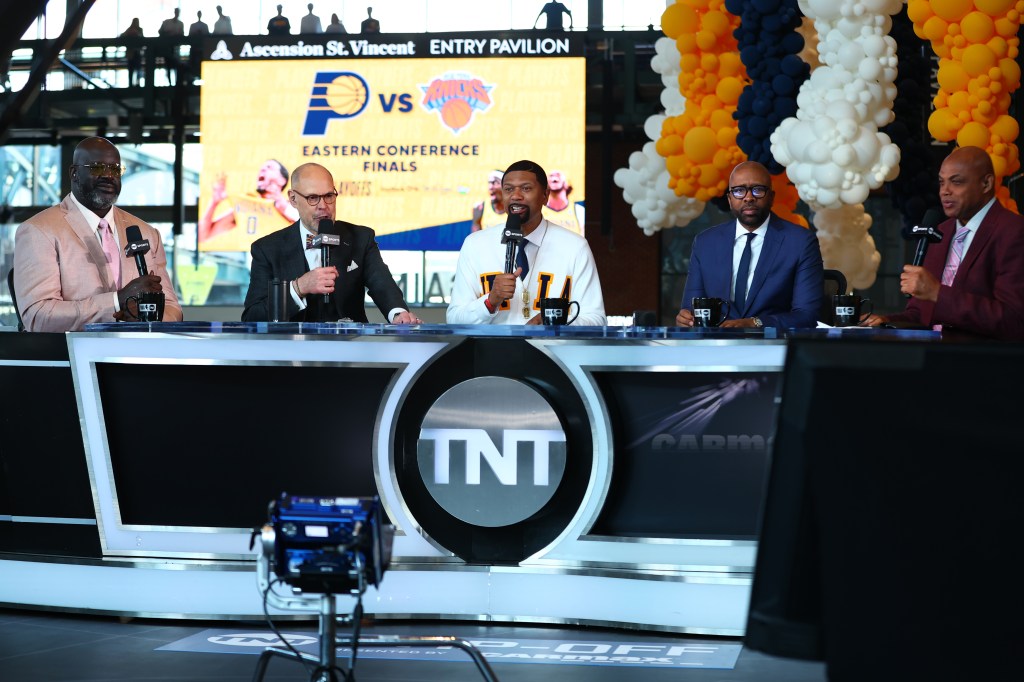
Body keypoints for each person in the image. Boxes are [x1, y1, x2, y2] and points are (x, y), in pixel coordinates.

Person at [12, 137, 182, 332]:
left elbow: (172, 308)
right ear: (74, 173)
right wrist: (117, 301)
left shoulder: (146, 233)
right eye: (98, 168)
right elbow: (38, 316)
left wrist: (145, 321)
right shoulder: (39, 231)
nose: (108, 176)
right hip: (72, 358)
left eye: (115, 169)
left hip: (140, 356)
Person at [862, 146, 1024, 340]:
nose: (945, 191)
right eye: (941, 182)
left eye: (956, 182)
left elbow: (1014, 321)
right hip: (932, 358)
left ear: (986, 183)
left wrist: (938, 293)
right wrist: (884, 321)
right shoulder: (942, 231)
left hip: (982, 363)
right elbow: (921, 315)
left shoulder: (1014, 231)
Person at [242, 163, 420, 324]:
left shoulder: (360, 238)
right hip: (292, 353)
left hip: (349, 350)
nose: (323, 206)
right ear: (293, 199)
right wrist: (299, 287)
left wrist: (398, 314)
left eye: (328, 196)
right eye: (312, 198)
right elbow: (253, 317)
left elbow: (382, 284)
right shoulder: (267, 249)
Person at [448, 159, 606, 325]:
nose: (516, 196)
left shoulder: (575, 246)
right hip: (492, 350)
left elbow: (596, 320)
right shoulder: (475, 244)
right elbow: (454, 319)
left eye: (526, 188)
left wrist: (550, 322)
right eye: (508, 189)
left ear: (545, 195)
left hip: (550, 350)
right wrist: (490, 301)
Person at [675, 160, 823, 329]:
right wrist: (685, 318)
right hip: (717, 346)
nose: (749, 197)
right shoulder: (705, 242)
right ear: (730, 199)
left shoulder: (800, 242)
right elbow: (690, 309)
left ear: (772, 197)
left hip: (773, 347)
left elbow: (808, 316)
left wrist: (755, 323)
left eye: (758, 190)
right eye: (739, 191)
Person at [198, 160, 299, 247]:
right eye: (262, 168)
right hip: (257, 265)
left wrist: (280, 203)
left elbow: (310, 228)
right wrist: (214, 202)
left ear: (282, 180)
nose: (262, 170)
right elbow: (202, 236)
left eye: (269, 167)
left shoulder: (293, 207)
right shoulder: (245, 206)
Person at [543, 169, 584, 235]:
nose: (554, 177)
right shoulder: (537, 211)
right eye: (551, 175)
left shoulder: (579, 210)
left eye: (558, 175)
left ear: (567, 184)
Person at [157, 8, 185, 85]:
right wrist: (167, 34)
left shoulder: (180, 24)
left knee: (175, 66)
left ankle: (176, 84)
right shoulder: (166, 22)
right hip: (167, 48)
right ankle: (170, 83)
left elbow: (182, 35)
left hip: (175, 48)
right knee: (168, 66)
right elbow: (160, 32)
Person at [120, 18, 143, 88]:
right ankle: (131, 84)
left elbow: (142, 39)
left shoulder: (138, 30)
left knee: (137, 69)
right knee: (132, 69)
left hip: (136, 52)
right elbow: (122, 36)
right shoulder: (130, 30)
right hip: (132, 53)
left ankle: (137, 83)